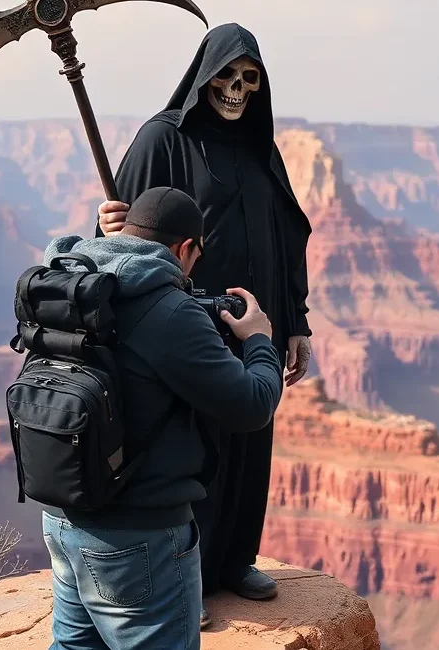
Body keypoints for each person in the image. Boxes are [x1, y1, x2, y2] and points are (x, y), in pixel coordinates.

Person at [95, 22, 313, 626]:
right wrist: (106, 228)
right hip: (184, 327)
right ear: (201, 76)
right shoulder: (163, 139)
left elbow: (287, 236)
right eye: (225, 76)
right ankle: (185, 584)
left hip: (255, 325)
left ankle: (233, 562)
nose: (236, 91)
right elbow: (122, 241)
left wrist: (295, 322)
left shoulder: (258, 146)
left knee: (250, 442)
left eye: (249, 80)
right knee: (195, 455)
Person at [42, 186, 284, 650]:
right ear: (184, 248)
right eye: (196, 255)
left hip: (62, 516)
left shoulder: (70, 286)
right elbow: (252, 405)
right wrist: (257, 340)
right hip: (139, 534)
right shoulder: (168, 311)